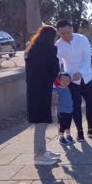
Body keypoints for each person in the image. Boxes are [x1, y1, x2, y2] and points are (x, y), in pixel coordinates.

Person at [55, 19, 92, 141]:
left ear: (72, 29)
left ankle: (91, 129)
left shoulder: (82, 39)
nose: (65, 36)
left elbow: (87, 58)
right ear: (58, 33)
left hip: (86, 77)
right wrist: (59, 79)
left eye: (67, 32)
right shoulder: (58, 45)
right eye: (61, 34)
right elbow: (57, 64)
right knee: (75, 106)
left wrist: (80, 72)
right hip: (71, 80)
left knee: (91, 103)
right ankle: (80, 132)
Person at [25, 25, 61, 165]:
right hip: (42, 90)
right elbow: (54, 71)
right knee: (42, 122)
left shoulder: (32, 50)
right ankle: (39, 155)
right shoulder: (49, 50)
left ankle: (42, 150)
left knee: (41, 122)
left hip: (34, 91)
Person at [53, 73, 74, 145]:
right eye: (63, 80)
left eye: (67, 80)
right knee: (62, 125)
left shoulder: (69, 89)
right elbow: (53, 98)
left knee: (68, 124)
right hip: (61, 111)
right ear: (59, 80)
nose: (65, 82)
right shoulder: (56, 89)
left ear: (70, 81)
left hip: (70, 110)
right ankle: (61, 137)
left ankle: (68, 135)